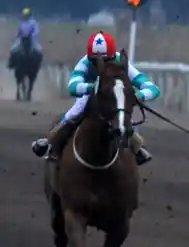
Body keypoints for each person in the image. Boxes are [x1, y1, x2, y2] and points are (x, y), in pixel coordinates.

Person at [31, 31, 159, 165]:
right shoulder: (85, 62)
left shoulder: (119, 62)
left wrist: (139, 95)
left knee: (122, 114)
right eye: (95, 61)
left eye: (106, 60)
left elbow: (152, 88)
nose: (101, 64)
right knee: (77, 110)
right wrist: (93, 87)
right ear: (90, 58)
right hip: (90, 93)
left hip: (112, 95)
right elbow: (73, 86)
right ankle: (52, 142)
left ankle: (137, 147)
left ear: (112, 57)